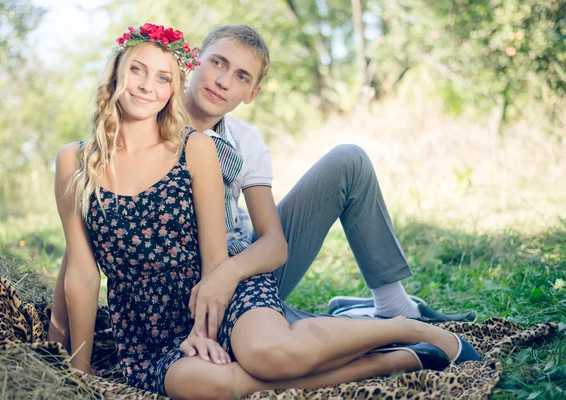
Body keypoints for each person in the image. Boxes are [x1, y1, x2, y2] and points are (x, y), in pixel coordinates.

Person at [54, 23, 479, 399]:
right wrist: (63, 342)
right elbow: (84, 249)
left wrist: (223, 280)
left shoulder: (230, 144)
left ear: (251, 93)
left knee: (270, 348)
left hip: (236, 268)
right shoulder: (107, 141)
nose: (222, 81)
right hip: (161, 310)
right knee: (238, 369)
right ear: (195, 64)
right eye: (217, 62)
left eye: (240, 77)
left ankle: (394, 311)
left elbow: (265, 244)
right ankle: (360, 338)